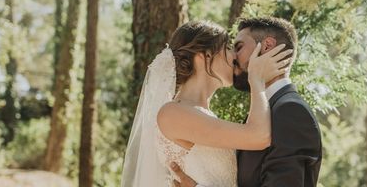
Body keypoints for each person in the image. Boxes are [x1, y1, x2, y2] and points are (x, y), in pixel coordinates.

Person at [120, 19, 292, 187]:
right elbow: (259, 136)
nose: (233, 55)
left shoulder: (203, 114)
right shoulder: (173, 113)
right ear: (204, 55)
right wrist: (256, 79)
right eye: (226, 48)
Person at [172, 16, 322, 187]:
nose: (233, 57)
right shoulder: (265, 112)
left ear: (267, 46)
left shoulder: (290, 111)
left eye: (239, 47)